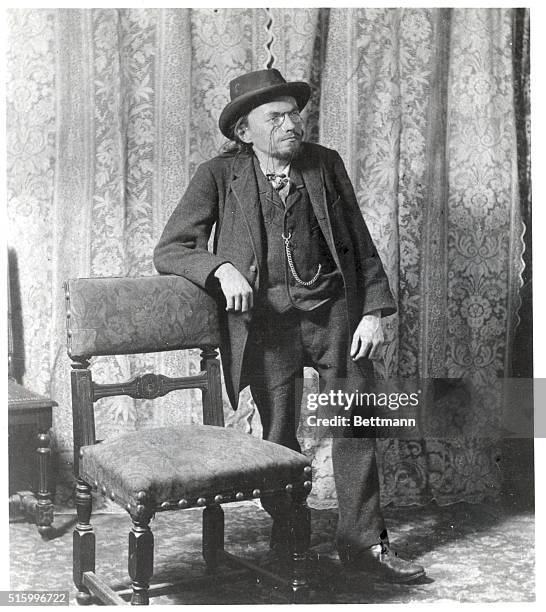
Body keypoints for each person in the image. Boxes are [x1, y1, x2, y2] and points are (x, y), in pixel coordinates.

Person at [154, 68, 425, 583]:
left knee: (356, 421)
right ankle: (292, 541)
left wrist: (372, 311)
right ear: (244, 132)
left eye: (292, 113)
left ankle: (365, 545)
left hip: (333, 316)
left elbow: (359, 243)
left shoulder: (325, 165)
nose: (290, 124)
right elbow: (170, 249)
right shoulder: (218, 175)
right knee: (279, 437)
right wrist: (219, 268)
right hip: (267, 326)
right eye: (274, 117)